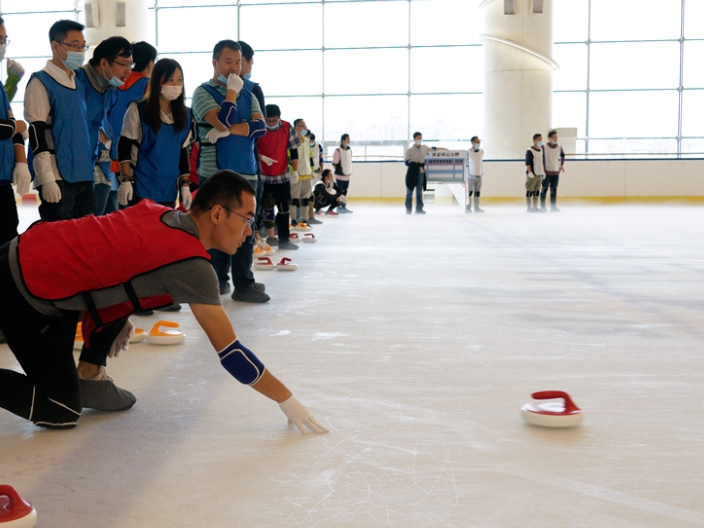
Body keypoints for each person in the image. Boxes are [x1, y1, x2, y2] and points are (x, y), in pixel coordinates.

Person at [0, 171, 328, 434]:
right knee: (61, 410)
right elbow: (231, 352)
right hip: (23, 288)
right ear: (217, 213)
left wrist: (116, 310)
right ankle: (81, 380)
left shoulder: (164, 215)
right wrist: (286, 399)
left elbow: (114, 256)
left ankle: (88, 373)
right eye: (247, 219)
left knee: (127, 296)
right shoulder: (192, 267)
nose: (250, 232)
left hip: (29, 258)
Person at [192, 40, 268, 303]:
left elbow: (260, 128)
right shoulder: (203, 92)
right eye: (228, 62)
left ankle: (244, 284)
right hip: (215, 176)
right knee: (215, 230)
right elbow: (221, 119)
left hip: (247, 172)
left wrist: (228, 130)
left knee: (245, 229)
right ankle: (215, 281)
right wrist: (232, 95)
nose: (235, 68)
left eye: (238, 62)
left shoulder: (249, 91)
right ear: (215, 62)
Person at [24, 20, 95, 221]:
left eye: (83, 46)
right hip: (57, 175)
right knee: (59, 241)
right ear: (56, 46)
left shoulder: (77, 84)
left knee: (86, 239)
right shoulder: (41, 82)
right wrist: (46, 179)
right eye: (74, 45)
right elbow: (36, 132)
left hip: (82, 175)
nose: (80, 51)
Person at [117, 57, 195, 210]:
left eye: (180, 80)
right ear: (158, 81)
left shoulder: (185, 116)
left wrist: (185, 185)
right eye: (171, 80)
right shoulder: (138, 110)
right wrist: (125, 180)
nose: (176, 85)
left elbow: (182, 151)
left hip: (168, 191)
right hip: (140, 188)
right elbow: (125, 146)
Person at [73, 36, 132, 216]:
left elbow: (97, 124)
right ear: (104, 63)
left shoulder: (110, 91)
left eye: (131, 64)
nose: (128, 71)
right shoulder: (76, 81)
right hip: (70, 169)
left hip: (92, 163)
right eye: (123, 64)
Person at [101, 41, 157, 215]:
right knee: (144, 213)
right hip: (141, 161)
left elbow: (97, 120)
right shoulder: (148, 86)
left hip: (114, 159)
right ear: (150, 64)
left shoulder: (112, 86)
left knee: (118, 212)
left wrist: (108, 143)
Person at [0, 17, 29, 346]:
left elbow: (7, 115)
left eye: (6, 39)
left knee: (7, 247)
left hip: (2, 178)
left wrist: (20, 160)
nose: (4, 44)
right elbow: (9, 123)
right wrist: (15, 127)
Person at [257, 103, 300, 250]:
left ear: (279, 118)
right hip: (263, 177)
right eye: (268, 121)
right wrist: (262, 157)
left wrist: (295, 170)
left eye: (274, 120)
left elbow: (294, 150)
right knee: (259, 209)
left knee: (283, 209)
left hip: (281, 176)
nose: (271, 123)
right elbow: (251, 148)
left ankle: (284, 241)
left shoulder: (287, 128)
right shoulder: (259, 127)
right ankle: (257, 240)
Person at [404, 131, 446, 214]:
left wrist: (444, 149)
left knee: (419, 191)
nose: (420, 140)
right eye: (418, 138)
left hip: (421, 172)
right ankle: (408, 209)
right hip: (412, 172)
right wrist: (414, 165)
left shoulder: (424, 147)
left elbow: (433, 149)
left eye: (421, 138)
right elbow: (406, 162)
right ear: (414, 139)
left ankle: (419, 208)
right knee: (409, 191)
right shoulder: (409, 150)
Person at [291, 118, 314, 228]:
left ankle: (304, 219)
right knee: (294, 198)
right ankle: (293, 219)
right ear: (296, 127)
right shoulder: (291, 140)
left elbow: (310, 156)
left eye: (305, 125)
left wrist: (312, 171)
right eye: (301, 126)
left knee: (306, 198)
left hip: (307, 174)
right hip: (296, 174)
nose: (304, 128)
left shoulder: (306, 140)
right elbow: (289, 157)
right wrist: (292, 172)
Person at [541, 129, 565, 212]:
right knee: (544, 189)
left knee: (554, 189)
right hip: (546, 171)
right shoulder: (544, 146)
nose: (556, 139)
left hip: (555, 171)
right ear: (549, 138)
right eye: (554, 137)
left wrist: (561, 165)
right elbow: (540, 157)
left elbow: (562, 156)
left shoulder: (559, 147)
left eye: (557, 137)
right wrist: (542, 167)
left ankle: (553, 206)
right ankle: (543, 207)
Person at [332, 133, 353, 213]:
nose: (349, 141)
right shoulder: (338, 151)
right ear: (343, 140)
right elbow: (334, 163)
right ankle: (338, 207)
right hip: (340, 176)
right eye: (348, 139)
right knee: (340, 192)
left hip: (347, 175)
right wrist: (339, 171)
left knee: (345, 191)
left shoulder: (349, 150)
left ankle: (343, 206)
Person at [525, 133, 545, 213]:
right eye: (539, 139)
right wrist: (530, 172)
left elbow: (541, 162)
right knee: (530, 190)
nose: (540, 141)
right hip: (532, 174)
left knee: (537, 190)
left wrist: (543, 172)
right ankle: (529, 208)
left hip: (539, 173)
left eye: (541, 139)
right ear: (534, 140)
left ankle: (535, 207)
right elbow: (528, 163)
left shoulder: (541, 149)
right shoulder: (530, 150)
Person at [307, 132, 324, 223]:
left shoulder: (318, 146)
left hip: (316, 171)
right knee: (309, 194)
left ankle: (311, 215)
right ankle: (308, 216)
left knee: (312, 193)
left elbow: (321, 158)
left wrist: (321, 170)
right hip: (306, 173)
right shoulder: (304, 146)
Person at [466, 136, 485, 213]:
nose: (478, 143)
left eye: (479, 142)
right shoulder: (467, 152)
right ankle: (468, 208)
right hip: (470, 175)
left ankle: (476, 208)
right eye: (477, 142)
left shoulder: (481, 151)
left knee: (477, 192)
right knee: (469, 192)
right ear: (472, 143)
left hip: (479, 174)